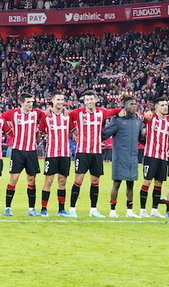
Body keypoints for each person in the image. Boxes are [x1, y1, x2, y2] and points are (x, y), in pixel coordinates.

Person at [68, 90, 121, 218]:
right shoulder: (77, 113)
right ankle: (72, 209)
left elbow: (115, 111)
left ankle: (93, 210)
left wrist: (123, 110)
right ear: (84, 101)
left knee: (95, 180)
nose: (90, 102)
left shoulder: (101, 112)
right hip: (82, 152)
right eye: (87, 100)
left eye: (92, 99)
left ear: (95, 100)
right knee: (79, 179)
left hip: (96, 152)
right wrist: (75, 131)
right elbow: (67, 118)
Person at [0, 93, 45, 217]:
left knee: (31, 179)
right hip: (17, 151)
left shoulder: (36, 113)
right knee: (14, 178)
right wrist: (9, 131)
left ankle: (31, 209)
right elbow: (0, 118)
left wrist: (39, 131)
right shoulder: (13, 113)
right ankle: (8, 207)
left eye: (32, 102)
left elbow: (47, 114)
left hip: (31, 151)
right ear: (21, 103)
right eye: (28, 102)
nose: (31, 105)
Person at [101, 96, 144, 218]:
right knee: (117, 183)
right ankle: (112, 210)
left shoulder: (137, 121)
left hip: (133, 157)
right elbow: (104, 134)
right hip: (120, 157)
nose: (134, 106)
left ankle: (129, 211)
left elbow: (141, 138)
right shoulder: (117, 120)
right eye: (131, 104)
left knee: (130, 184)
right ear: (125, 106)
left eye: (135, 104)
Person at [39, 92, 73, 217]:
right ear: (52, 101)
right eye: (58, 99)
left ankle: (61, 209)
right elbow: (40, 131)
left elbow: (74, 129)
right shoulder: (46, 116)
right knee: (49, 180)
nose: (60, 101)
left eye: (62, 99)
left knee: (62, 181)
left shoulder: (68, 116)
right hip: (51, 153)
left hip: (65, 154)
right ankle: (43, 208)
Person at [140, 97, 169, 218]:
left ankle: (154, 210)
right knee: (147, 181)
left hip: (164, 157)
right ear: (156, 107)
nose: (165, 107)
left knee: (159, 183)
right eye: (162, 105)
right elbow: (141, 118)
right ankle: (143, 210)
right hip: (150, 155)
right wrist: (145, 113)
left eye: (166, 105)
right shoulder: (151, 118)